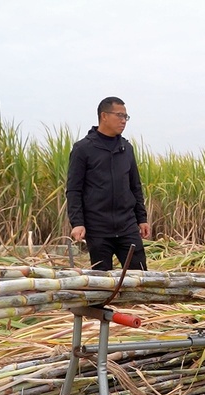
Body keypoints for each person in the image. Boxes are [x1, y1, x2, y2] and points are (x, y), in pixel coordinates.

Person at [66, 96, 151, 271]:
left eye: (126, 117)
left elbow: (135, 185)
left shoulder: (126, 148)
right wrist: (77, 222)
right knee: (102, 282)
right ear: (104, 116)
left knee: (140, 276)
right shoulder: (83, 149)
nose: (123, 121)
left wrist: (141, 218)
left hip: (127, 225)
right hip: (98, 228)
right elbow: (74, 190)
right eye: (119, 115)